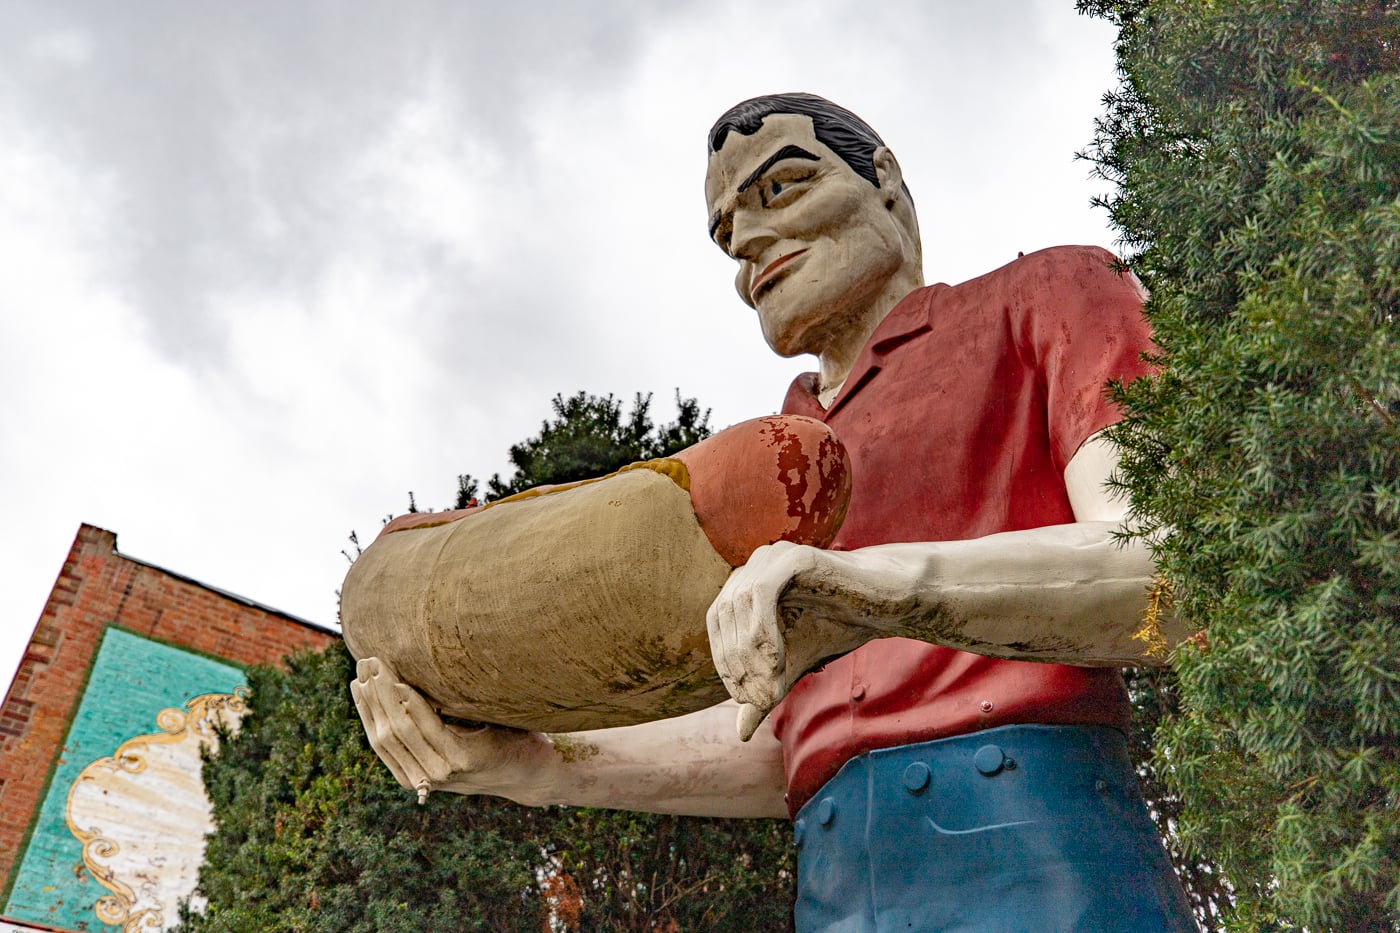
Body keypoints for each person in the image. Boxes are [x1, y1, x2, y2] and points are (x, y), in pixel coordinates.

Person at [352, 93, 1198, 932]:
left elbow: (1168, 571)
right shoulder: (781, 458)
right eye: (727, 233)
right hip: (831, 887)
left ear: (886, 182)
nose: (747, 242)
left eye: (780, 189)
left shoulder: (1054, 292)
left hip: (1046, 858)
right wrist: (528, 763)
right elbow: (777, 732)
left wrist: (868, 586)